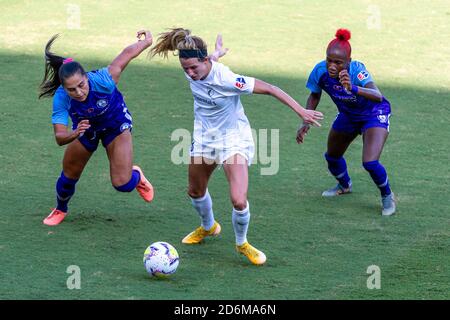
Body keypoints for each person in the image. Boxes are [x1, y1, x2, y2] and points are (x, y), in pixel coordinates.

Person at [151, 28, 323, 265]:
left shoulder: (228, 79)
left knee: (238, 200)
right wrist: (216, 54)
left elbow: (271, 89)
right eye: (185, 69)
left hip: (233, 139)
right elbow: (206, 64)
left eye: (193, 68)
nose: (190, 73)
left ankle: (242, 243)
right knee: (195, 191)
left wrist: (301, 111)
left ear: (204, 60)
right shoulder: (197, 68)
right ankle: (209, 227)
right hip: (204, 139)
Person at [39, 30, 155, 226]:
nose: (78, 92)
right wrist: (74, 133)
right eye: (71, 89)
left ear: (87, 77)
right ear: (64, 88)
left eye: (81, 85)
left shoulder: (104, 79)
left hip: (115, 125)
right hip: (85, 130)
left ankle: (137, 176)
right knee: (69, 175)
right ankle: (60, 209)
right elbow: (59, 137)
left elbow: (126, 54)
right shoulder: (61, 97)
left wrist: (147, 41)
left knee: (123, 184)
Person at [297, 28, 396, 216]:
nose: (332, 66)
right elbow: (314, 94)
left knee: (370, 162)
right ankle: (344, 185)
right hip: (349, 114)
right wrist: (305, 120)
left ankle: (387, 196)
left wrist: (353, 88)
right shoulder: (320, 71)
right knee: (332, 156)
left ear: (348, 62)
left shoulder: (357, 71)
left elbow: (377, 95)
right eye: (329, 60)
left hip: (373, 113)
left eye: (338, 62)